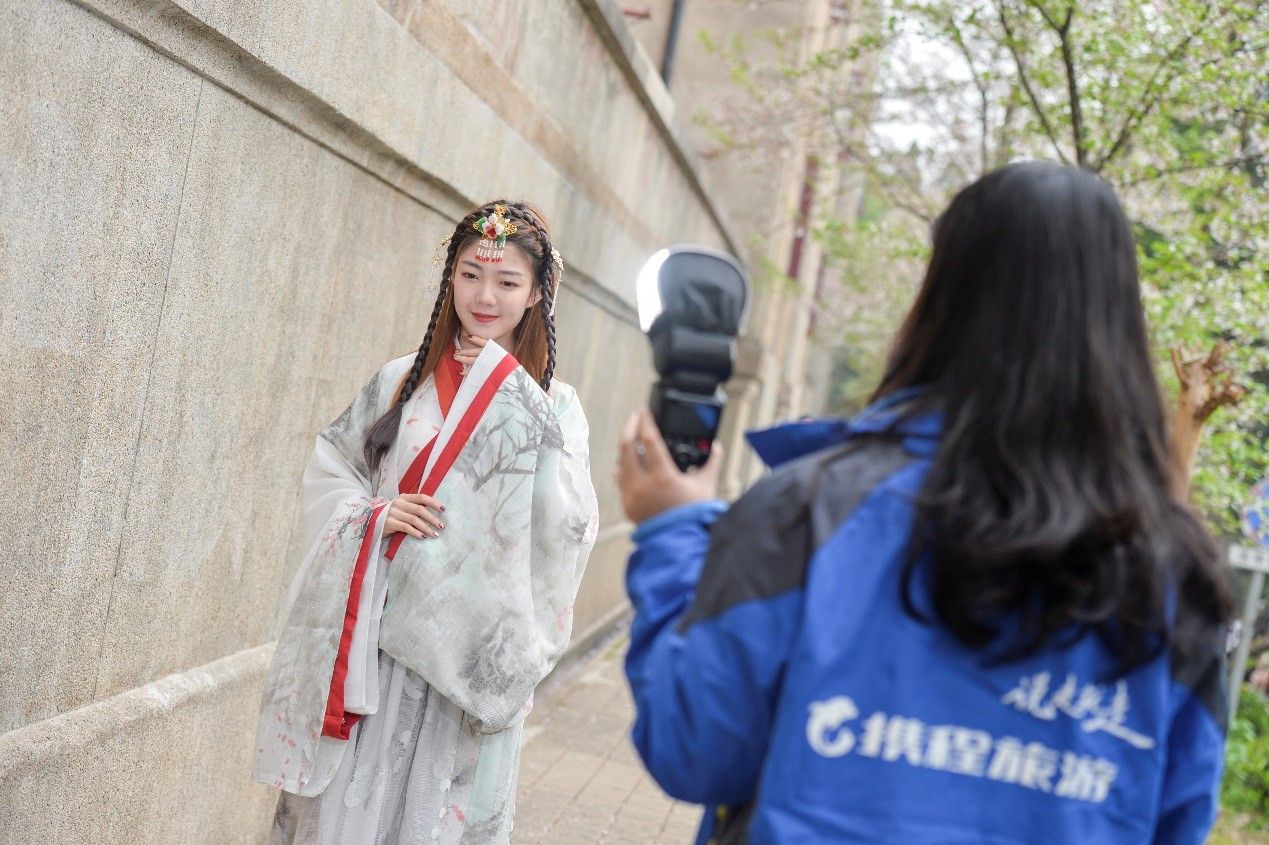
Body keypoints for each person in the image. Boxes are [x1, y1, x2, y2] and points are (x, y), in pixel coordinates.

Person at [616, 163, 1233, 844]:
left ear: (941, 299)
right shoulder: (1174, 575)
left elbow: (696, 747)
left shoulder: (809, 511)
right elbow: (1178, 821)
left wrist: (673, 532)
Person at [253, 201, 599, 843]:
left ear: (536, 295)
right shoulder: (400, 379)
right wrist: (375, 516)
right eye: (470, 275)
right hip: (376, 638)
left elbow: (570, 527)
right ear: (450, 278)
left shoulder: (554, 405)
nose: (485, 296)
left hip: (461, 653)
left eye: (507, 282)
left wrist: (511, 399)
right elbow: (333, 470)